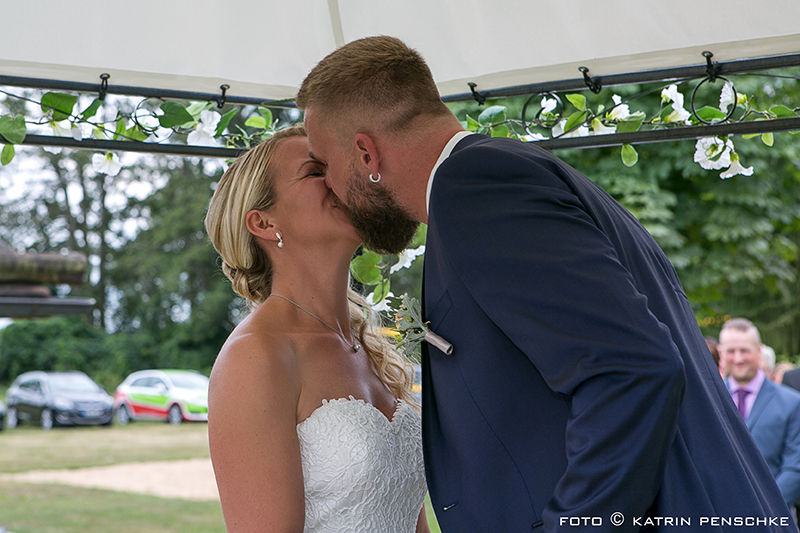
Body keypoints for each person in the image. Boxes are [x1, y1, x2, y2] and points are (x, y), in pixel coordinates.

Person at [296, 36, 795, 531]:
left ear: (365, 154)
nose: (330, 188)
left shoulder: (477, 188)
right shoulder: (508, 173)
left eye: (324, 166)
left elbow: (632, 370)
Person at [204, 126, 429, 532]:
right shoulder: (257, 356)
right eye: (314, 171)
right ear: (263, 222)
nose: (341, 178)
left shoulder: (370, 349)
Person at [721, 318, 800, 509]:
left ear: (759, 350)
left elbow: (795, 466)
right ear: (722, 354)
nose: (738, 359)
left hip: (772, 515)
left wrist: (763, 509)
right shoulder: (707, 399)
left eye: (744, 350)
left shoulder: (791, 402)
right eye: (731, 351)